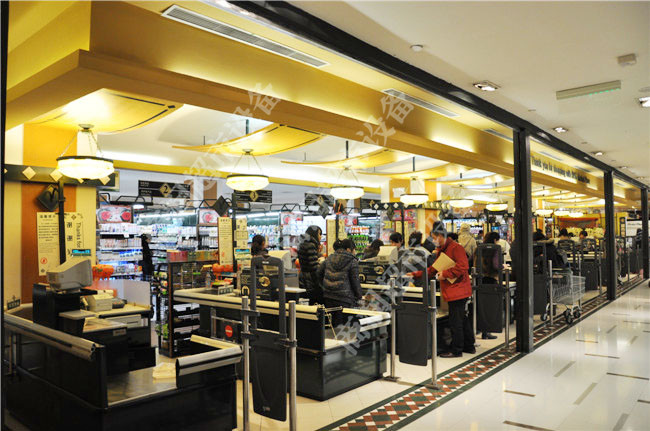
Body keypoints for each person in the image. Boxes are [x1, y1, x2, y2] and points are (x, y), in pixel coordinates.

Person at [429, 221, 475, 358]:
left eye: (434, 237)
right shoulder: (443, 250)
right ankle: (469, 346)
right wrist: (416, 274)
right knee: (462, 319)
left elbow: (463, 267)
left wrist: (445, 274)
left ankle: (456, 350)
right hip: (455, 290)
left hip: (458, 290)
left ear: (440, 236)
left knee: (456, 321)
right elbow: (434, 269)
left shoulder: (455, 247)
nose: (433, 240)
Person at [318, 238, 362, 326]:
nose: (355, 252)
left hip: (329, 296)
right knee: (343, 326)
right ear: (349, 249)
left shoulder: (329, 258)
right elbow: (355, 281)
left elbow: (319, 273)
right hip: (344, 299)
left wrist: (324, 287)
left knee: (331, 325)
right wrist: (359, 296)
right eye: (354, 249)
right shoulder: (352, 261)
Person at [477, 232, 501, 340]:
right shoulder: (495, 249)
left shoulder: (478, 248)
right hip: (491, 279)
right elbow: (496, 265)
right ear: (495, 240)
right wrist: (502, 266)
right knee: (490, 306)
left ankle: (482, 329)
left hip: (480, 279)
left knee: (482, 306)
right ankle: (487, 331)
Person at [298, 225, 323, 305]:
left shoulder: (303, 243)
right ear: (314, 234)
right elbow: (313, 267)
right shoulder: (311, 245)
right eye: (319, 234)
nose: (320, 236)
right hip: (310, 280)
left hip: (304, 278)